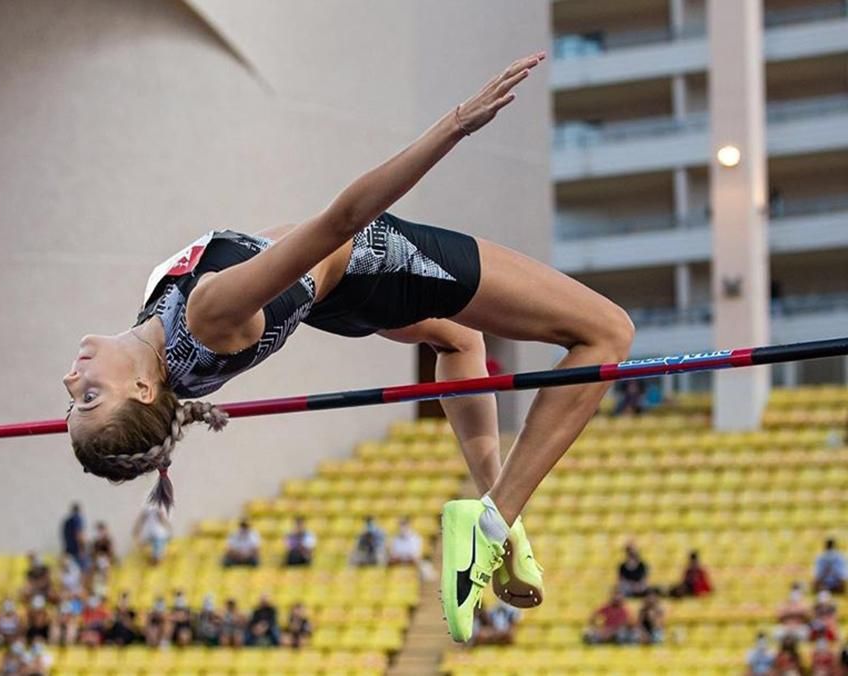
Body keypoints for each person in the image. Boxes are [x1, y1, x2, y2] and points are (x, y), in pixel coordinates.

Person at [62, 53, 627, 645]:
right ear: (142, 389)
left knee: (458, 339)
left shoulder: (161, 349)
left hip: (335, 300)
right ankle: (494, 522)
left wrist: (116, 436)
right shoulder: (205, 318)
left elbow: (137, 426)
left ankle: (499, 517)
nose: (73, 381)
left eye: (73, 400)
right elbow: (341, 221)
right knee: (606, 332)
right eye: (90, 398)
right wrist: (457, 124)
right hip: (378, 260)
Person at [61, 502, 86, 568]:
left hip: (69, 548)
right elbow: (79, 534)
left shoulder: (67, 521)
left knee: (69, 567)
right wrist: (81, 549)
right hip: (76, 549)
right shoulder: (78, 519)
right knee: (83, 568)